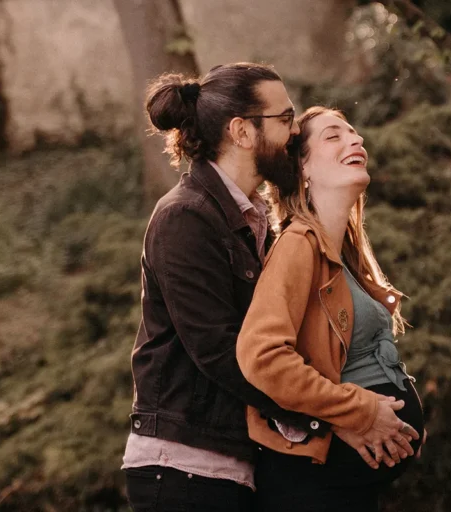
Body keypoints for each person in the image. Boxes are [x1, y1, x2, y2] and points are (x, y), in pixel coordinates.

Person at [121, 63, 334, 512]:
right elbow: (221, 349)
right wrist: (329, 416)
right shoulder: (185, 216)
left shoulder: (254, 219)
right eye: (285, 118)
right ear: (241, 131)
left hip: (230, 466)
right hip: (184, 470)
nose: (295, 132)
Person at [236, 107, 425, 512]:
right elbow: (262, 357)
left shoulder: (344, 255)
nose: (356, 141)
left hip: (345, 489)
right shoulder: (297, 245)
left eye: (355, 134)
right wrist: (356, 411)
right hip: (309, 486)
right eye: (333, 136)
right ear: (302, 167)